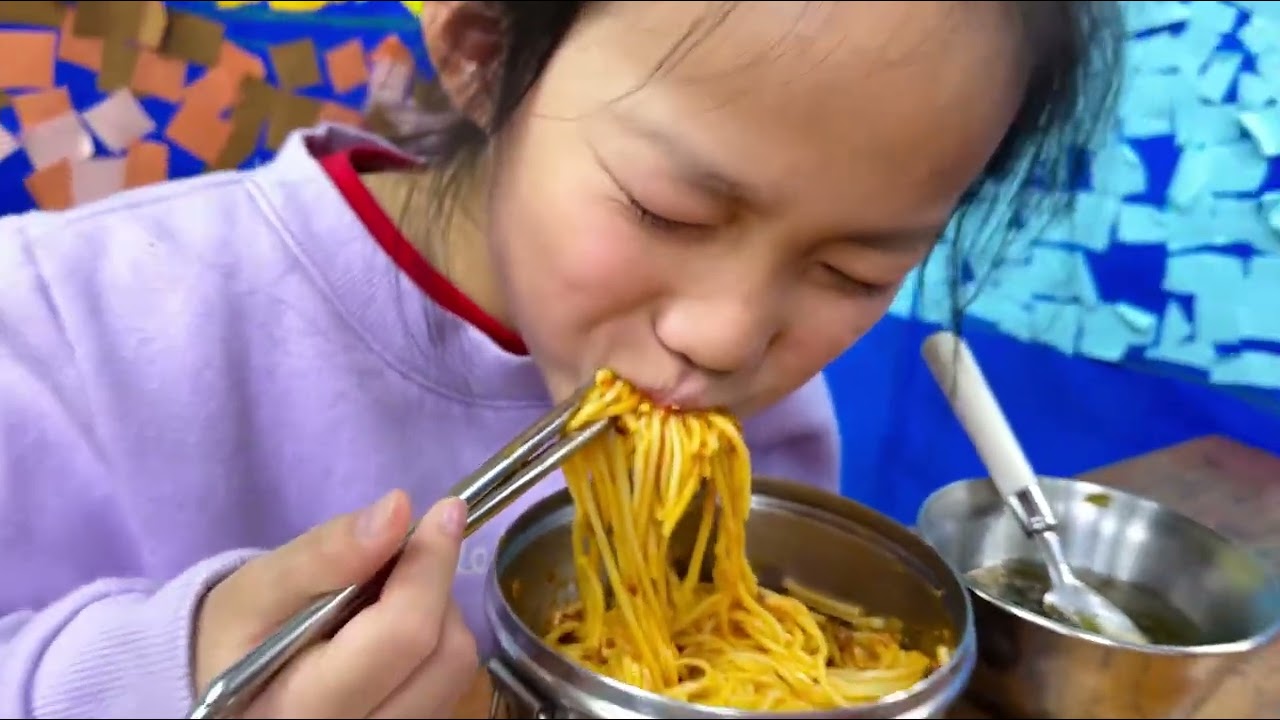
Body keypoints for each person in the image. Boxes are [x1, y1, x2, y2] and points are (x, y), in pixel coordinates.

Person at [0, 1, 1123, 717]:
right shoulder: (56, 323)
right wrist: (164, 675)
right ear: (487, 53)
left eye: (849, 273)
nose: (726, 337)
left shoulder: (766, 436)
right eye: (670, 209)